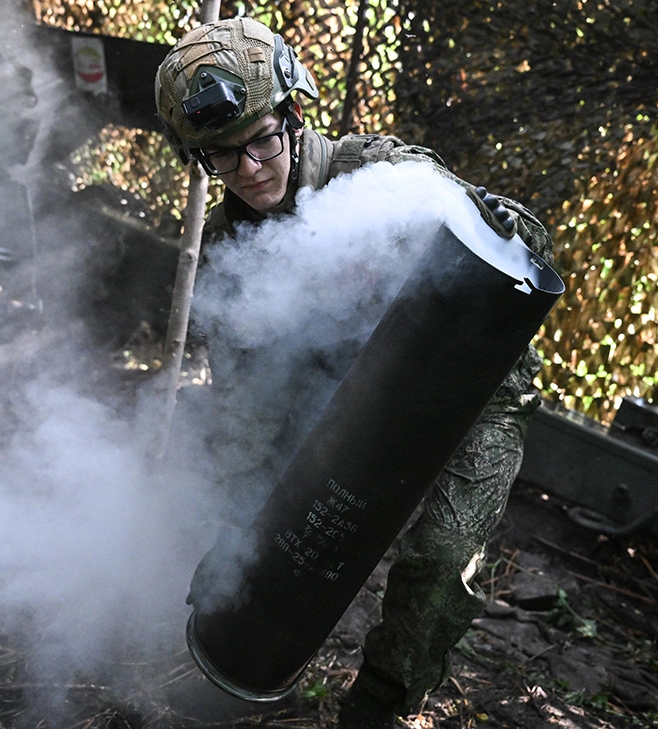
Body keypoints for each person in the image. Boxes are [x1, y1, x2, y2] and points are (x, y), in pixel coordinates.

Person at [154, 17, 554, 729]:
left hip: (471, 392)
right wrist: (235, 535)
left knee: (441, 556)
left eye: (262, 140)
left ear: (293, 117)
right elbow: (248, 409)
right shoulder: (228, 249)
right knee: (267, 526)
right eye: (222, 155)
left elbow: (525, 240)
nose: (249, 168)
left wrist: (500, 222)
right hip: (344, 392)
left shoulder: (374, 170)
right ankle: (244, 673)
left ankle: (379, 706)